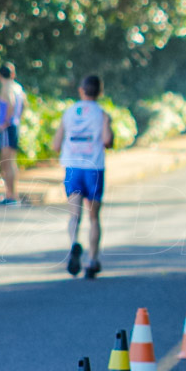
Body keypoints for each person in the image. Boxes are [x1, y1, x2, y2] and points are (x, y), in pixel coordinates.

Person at [52, 75, 114, 279]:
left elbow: (55, 144)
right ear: (100, 92)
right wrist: (107, 124)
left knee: (74, 214)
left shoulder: (68, 112)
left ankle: (73, 245)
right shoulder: (101, 114)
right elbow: (107, 141)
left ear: (81, 90)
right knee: (94, 217)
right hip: (93, 168)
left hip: (72, 168)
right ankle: (92, 260)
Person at [0, 62, 26, 205]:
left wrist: (5, 122)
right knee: (11, 161)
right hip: (15, 125)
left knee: (6, 162)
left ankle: (10, 195)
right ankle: (12, 194)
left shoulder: (6, 87)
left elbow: (11, 103)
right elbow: (23, 104)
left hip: (7, 127)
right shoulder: (18, 87)